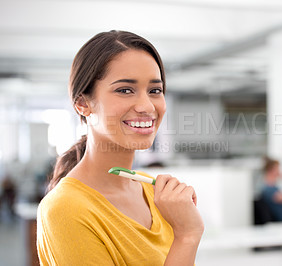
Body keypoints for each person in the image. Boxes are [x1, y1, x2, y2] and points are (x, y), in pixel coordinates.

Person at [36, 30, 204, 265]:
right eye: (125, 90)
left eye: (155, 90)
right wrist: (187, 236)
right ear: (83, 104)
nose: (146, 106)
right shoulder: (64, 209)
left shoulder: (153, 192)